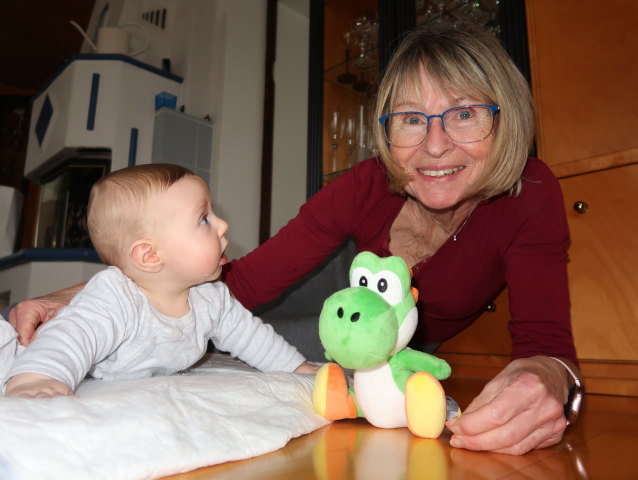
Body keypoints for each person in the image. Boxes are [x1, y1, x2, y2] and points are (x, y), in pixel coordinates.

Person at [6, 24, 578, 454]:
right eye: (409, 118)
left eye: (465, 114)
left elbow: (546, 345)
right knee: (218, 331)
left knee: (292, 364)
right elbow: (243, 283)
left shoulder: (532, 193)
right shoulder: (364, 186)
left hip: (391, 345)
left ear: (506, 120)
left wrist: (550, 380)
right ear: (386, 129)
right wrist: (99, 291)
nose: (433, 145)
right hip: (321, 291)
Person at [2, 164, 316, 398]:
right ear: (150, 256)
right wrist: (37, 379)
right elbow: (69, 338)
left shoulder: (211, 297)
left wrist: (298, 369)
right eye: (203, 218)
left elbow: (253, 337)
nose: (223, 225)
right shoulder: (115, 297)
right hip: (23, 352)